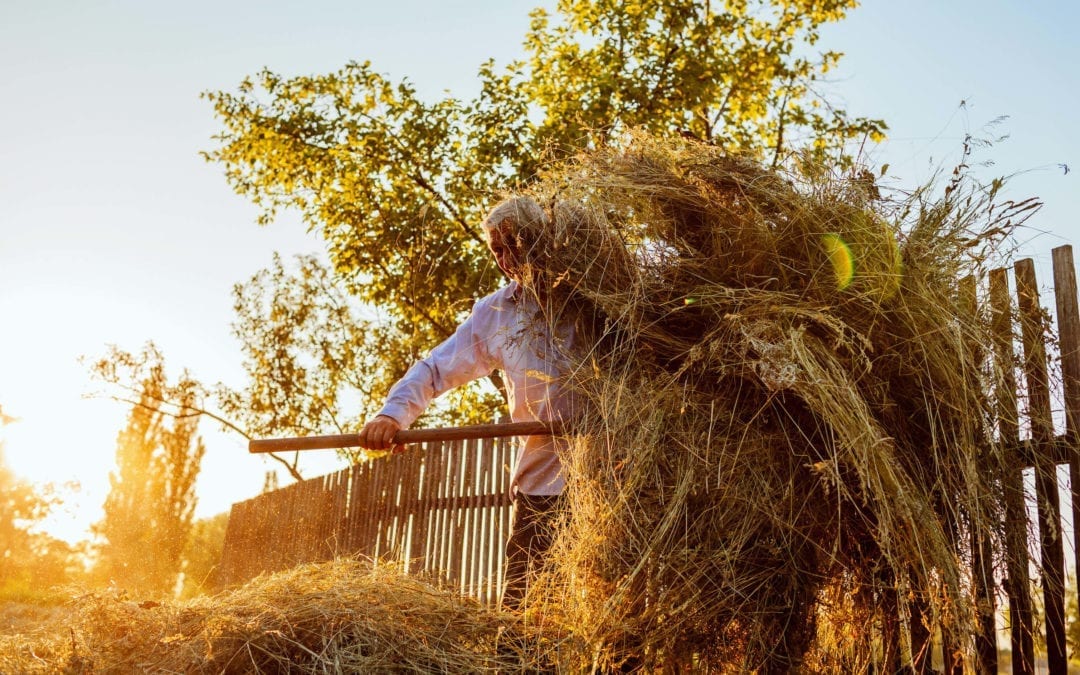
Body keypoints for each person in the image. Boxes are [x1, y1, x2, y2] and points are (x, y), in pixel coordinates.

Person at [357, 196, 575, 611]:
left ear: (541, 238)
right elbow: (436, 368)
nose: (506, 258)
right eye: (497, 249)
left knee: (625, 634)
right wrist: (392, 414)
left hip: (616, 479)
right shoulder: (495, 313)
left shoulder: (599, 294)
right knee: (526, 621)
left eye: (515, 243)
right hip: (542, 489)